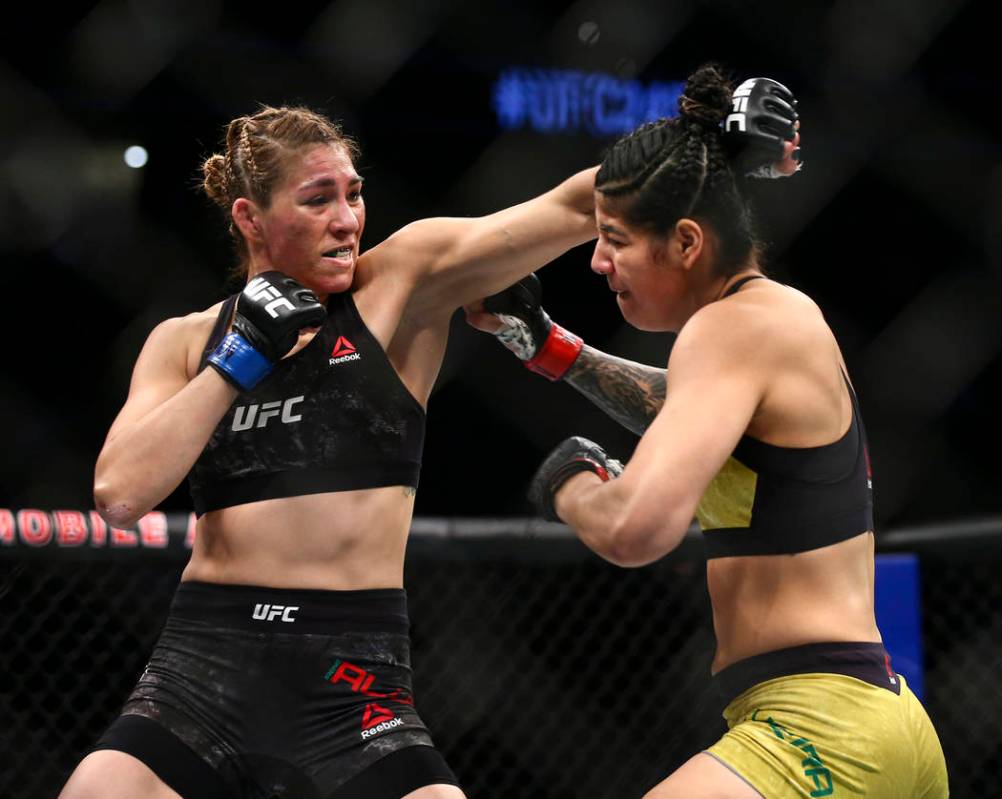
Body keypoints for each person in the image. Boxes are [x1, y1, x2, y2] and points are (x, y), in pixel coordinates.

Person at [58, 105, 599, 799]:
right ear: (251, 219)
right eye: (318, 200)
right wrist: (237, 360)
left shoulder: (398, 286)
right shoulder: (186, 341)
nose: (347, 219)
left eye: (354, 193)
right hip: (201, 671)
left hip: (351, 682)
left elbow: (573, 205)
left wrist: (702, 138)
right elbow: (122, 495)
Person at [470, 64, 949, 798]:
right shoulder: (769, 321)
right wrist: (549, 346)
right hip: (871, 718)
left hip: (818, 729)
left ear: (687, 241)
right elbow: (693, 412)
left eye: (615, 240)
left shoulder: (727, 330)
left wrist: (569, 482)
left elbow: (637, 528)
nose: (597, 262)